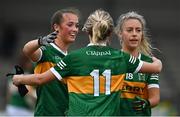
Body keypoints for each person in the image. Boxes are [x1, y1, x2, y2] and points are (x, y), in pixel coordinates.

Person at [12, 9, 162, 116]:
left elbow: (40, 78)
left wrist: (19, 79)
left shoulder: (75, 58)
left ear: (87, 31)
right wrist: (157, 62)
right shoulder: (121, 57)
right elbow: (156, 68)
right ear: (111, 33)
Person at [22, 7, 80, 116]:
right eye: (70, 24)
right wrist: (40, 41)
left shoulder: (71, 57)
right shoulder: (47, 51)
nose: (75, 29)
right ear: (56, 27)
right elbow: (27, 50)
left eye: (77, 26)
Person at [115, 11, 160, 116]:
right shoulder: (112, 59)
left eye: (138, 30)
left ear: (142, 34)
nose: (134, 34)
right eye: (129, 30)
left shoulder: (150, 63)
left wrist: (147, 103)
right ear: (120, 33)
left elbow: (155, 98)